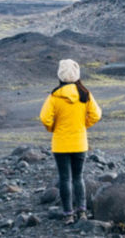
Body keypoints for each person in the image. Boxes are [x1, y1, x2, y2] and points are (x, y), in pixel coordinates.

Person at [40, 59, 102, 225]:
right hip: (79, 143)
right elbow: (96, 114)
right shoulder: (85, 94)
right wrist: (83, 125)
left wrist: (53, 128)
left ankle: (68, 214)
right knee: (78, 177)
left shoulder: (54, 96)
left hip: (60, 144)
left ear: (60, 75)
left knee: (64, 179)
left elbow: (44, 118)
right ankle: (82, 212)